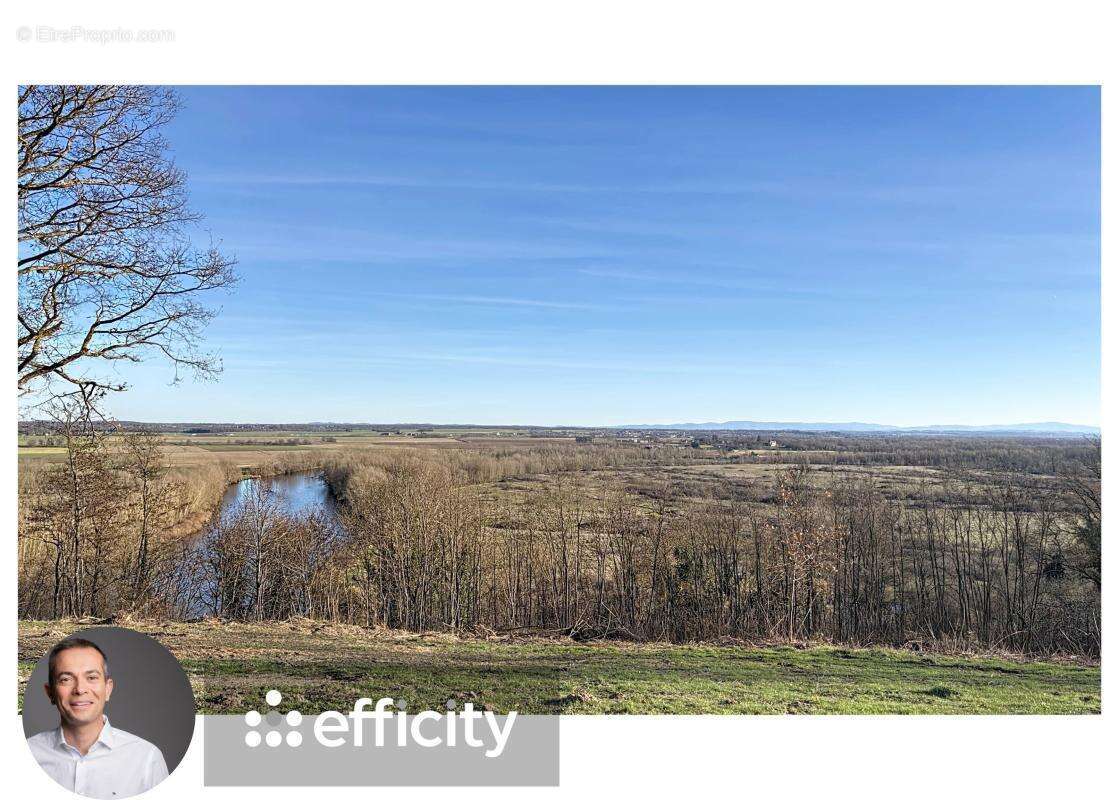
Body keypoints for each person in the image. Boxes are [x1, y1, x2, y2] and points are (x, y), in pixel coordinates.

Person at [26, 638, 169, 799]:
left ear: (108, 689)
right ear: (50, 692)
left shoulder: (146, 759)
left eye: (92, 677)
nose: (80, 689)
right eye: (66, 679)